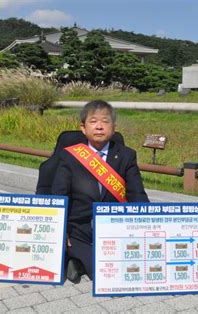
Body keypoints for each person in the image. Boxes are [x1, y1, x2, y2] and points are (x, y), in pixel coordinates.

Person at [52, 100, 149, 282]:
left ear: (113, 128)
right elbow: (59, 194)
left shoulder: (127, 155)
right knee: (103, 272)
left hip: (115, 228)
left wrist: (148, 228)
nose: (99, 127)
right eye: (93, 121)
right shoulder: (69, 156)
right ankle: (76, 258)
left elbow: (137, 194)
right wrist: (60, 229)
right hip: (80, 229)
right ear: (83, 127)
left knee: (126, 269)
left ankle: (77, 262)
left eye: (105, 121)